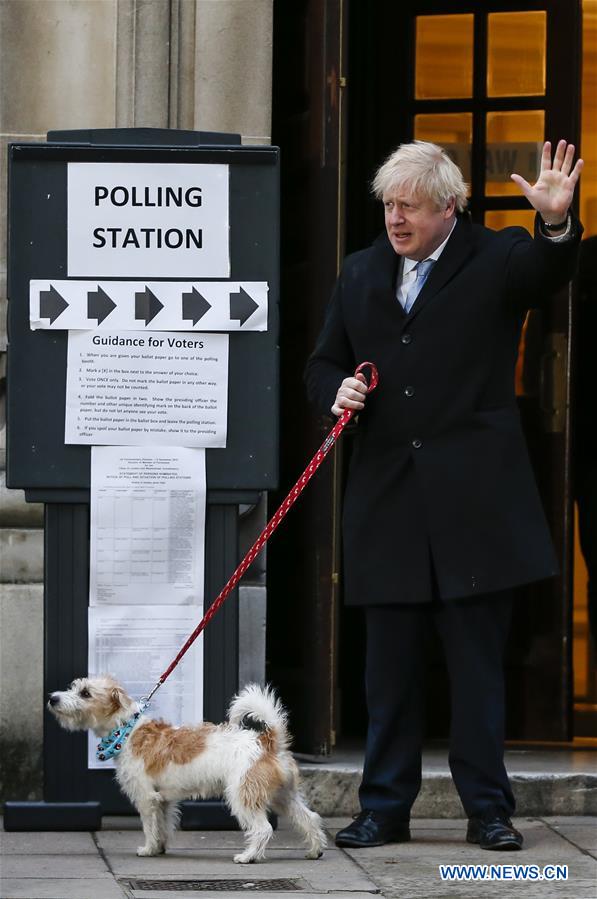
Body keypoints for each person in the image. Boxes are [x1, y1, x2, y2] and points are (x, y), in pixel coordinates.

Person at [305, 140, 583, 851]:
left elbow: (547, 268)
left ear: (448, 206)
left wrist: (554, 222)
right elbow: (323, 361)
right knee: (388, 671)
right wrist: (334, 389)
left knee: (475, 669)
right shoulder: (362, 270)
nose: (394, 218)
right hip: (388, 499)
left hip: (475, 502)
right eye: (388, 204)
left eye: (409, 205)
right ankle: (383, 807)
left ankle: (488, 810)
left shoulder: (494, 259)